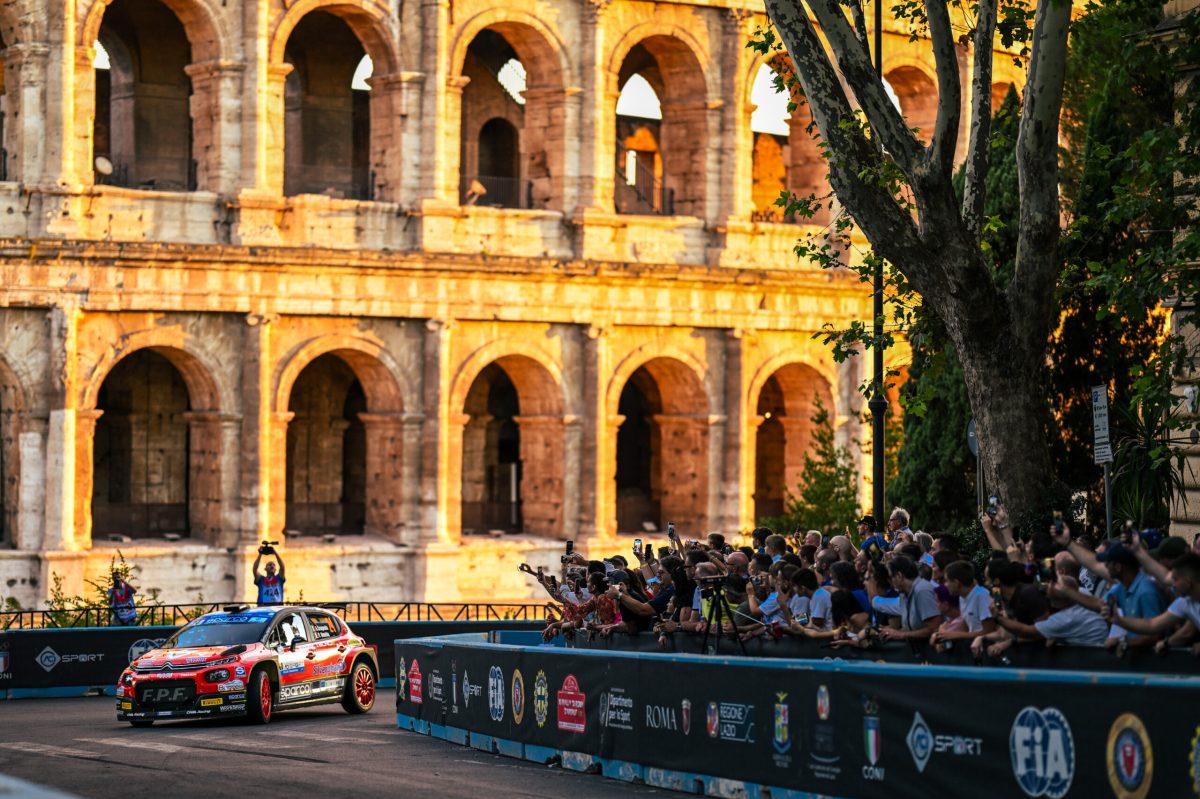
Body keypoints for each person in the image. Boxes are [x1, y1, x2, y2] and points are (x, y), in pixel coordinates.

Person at [1105, 552, 1200, 654]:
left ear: (1188, 582)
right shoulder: (1185, 602)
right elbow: (1152, 624)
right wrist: (1119, 620)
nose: (1173, 584)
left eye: (1175, 579)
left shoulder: (1147, 591)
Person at [930, 561, 996, 646]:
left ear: (957, 583)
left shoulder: (981, 595)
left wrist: (956, 635)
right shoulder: (962, 597)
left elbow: (989, 630)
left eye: (947, 581)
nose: (945, 585)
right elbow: (967, 627)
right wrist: (943, 635)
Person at [878, 556, 940, 643]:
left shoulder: (922, 590)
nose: (890, 583)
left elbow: (934, 628)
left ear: (899, 576)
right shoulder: (904, 594)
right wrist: (891, 631)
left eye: (890, 578)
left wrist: (901, 634)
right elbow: (911, 628)